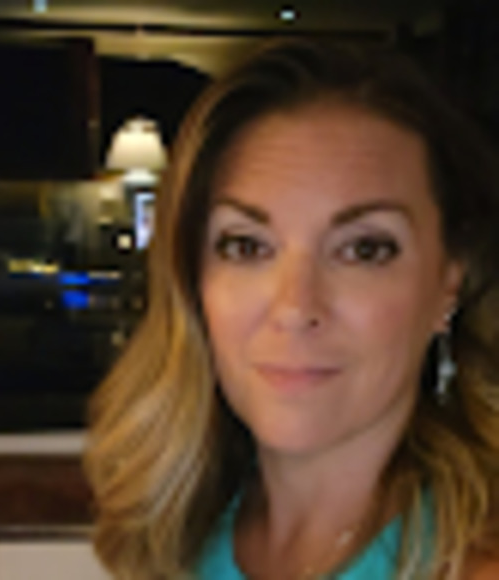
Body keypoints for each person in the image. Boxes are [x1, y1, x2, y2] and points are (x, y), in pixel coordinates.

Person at [84, 39, 499, 579]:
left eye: (364, 249)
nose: (295, 307)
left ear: (449, 281)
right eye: (246, 246)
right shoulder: (180, 530)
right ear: (192, 281)